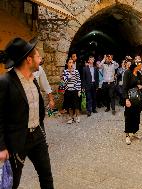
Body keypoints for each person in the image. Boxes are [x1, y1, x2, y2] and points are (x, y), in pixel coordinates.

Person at [0, 37, 54, 188]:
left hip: (37, 135)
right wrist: (2, 147)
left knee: (46, 176)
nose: (40, 59)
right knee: (12, 183)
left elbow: (38, 109)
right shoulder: (5, 82)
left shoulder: (34, 79)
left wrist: (41, 131)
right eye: (37, 56)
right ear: (28, 60)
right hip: (17, 141)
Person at [123, 61, 142, 145]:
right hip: (130, 98)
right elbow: (124, 87)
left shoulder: (138, 73)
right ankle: (127, 135)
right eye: (140, 65)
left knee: (137, 115)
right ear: (136, 66)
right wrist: (126, 99)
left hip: (138, 98)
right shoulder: (127, 73)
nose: (141, 66)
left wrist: (141, 86)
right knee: (129, 115)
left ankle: (135, 132)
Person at [62, 58, 81, 124]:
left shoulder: (76, 71)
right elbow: (65, 81)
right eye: (69, 62)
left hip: (75, 90)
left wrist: (78, 90)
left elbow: (78, 81)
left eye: (72, 63)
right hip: (68, 91)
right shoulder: (65, 72)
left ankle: (77, 117)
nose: (71, 64)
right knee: (69, 106)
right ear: (67, 64)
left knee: (76, 105)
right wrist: (69, 74)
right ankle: (71, 118)